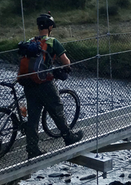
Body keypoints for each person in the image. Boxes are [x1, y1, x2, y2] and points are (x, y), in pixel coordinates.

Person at [18, 13, 83, 159]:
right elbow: (66, 61)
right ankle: (68, 136)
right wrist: (65, 68)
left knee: (33, 118)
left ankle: (32, 149)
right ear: (50, 27)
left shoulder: (30, 42)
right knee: (56, 109)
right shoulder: (53, 41)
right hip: (45, 83)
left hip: (28, 83)